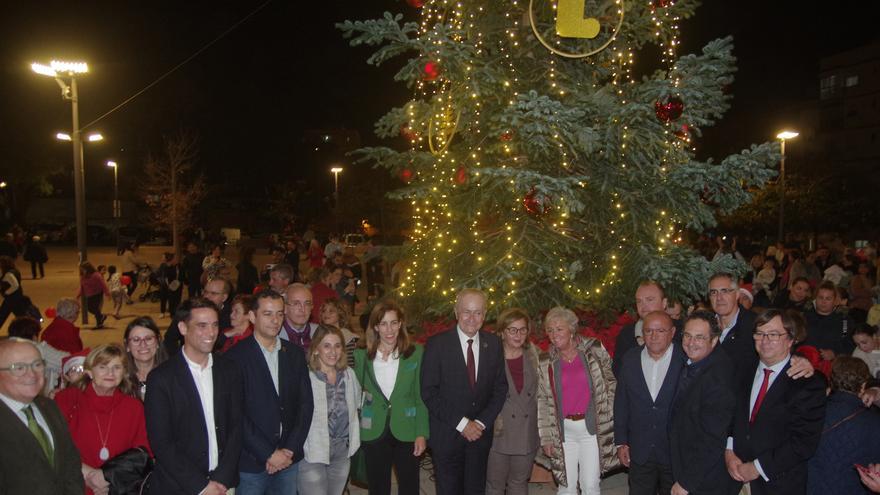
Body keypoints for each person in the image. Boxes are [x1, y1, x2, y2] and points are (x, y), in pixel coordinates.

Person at [144, 298, 243, 495]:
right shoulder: (161, 378)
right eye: (202, 326)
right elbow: (162, 442)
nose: (211, 333)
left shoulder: (229, 369)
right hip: (181, 486)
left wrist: (221, 479)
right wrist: (202, 486)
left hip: (223, 485)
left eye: (215, 325)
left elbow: (236, 427)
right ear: (182, 328)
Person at [725, 309, 827, 495]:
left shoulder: (807, 383)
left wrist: (757, 467)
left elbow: (804, 442)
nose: (765, 340)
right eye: (760, 334)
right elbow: (732, 417)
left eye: (773, 334)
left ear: (790, 340)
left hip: (778, 484)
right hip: (734, 478)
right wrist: (729, 450)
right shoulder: (743, 371)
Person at [225, 290, 314, 494]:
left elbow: (305, 405)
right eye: (267, 314)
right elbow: (235, 413)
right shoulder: (234, 358)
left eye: (280, 314)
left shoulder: (294, 354)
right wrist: (269, 453)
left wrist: (289, 449)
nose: (275, 320)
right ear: (252, 316)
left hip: (288, 460)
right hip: (251, 462)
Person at [420, 289, 508, 495]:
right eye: (466, 311)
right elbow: (429, 392)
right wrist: (463, 424)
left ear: (485, 315)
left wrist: (479, 423)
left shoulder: (493, 344)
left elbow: (500, 388)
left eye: (477, 312)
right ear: (456, 312)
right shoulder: (437, 345)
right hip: (447, 436)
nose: (471, 318)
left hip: (479, 437)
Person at [536, 306, 619, 495]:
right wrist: (546, 436)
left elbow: (611, 383)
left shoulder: (594, 350)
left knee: (590, 485)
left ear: (572, 329)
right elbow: (543, 401)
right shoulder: (545, 360)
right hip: (563, 432)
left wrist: (610, 416)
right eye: (550, 330)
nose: (554, 334)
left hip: (591, 429)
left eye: (559, 329)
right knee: (566, 487)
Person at [353, 299, 428, 495]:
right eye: (384, 323)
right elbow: (357, 392)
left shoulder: (416, 353)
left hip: (407, 427)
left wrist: (421, 433)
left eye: (394, 322)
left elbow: (420, 397)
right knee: (378, 487)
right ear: (376, 326)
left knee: (410, 485)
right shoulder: (362, 354)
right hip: (374, 428)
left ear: (401, 323)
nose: (389, 329)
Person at [54, 344, 151, 495]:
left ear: (124, 373)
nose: (110, 373)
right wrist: (90, 476)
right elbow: (54, 445)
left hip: (116, 488)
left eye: (117, 367)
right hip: (74, 484)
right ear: (90, 372)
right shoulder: (67, 399)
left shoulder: (134, 407)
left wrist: (106, 477)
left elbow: (144, 452)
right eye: (103, 367)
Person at [0, 338, 85, 494]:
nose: (32, 374)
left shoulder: (50, 407)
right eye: (18, 368)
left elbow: (71, 463)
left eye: (37, 365)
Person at [614, 311, 683, 495]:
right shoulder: (630, 359)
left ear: (672, 332)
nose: (653, 336)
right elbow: (621, 402)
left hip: (674, 452)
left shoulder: (685, 359)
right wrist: (621, 441)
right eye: (648, 331)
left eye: (660, 330)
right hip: (640, 451)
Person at [669, 311, 737, 495]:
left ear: (714, 341)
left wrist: (686, 483)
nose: (691, 342)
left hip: (703, 480)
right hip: (684, 463)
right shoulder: (691, 362)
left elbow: (713, 439)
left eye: (700, 337)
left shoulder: (717, 378)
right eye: (688, 336)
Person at [300, 325, 362, 495]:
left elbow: (357, 405)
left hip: (342, 452)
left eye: (337, 345)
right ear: (316, 349)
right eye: (326, 345)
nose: (333, 351)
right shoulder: (306, 377)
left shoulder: (349, 375)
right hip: (313, 452)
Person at [485, 308, 540, 495]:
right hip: (499, 432)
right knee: (494, 486)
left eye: (523, 330)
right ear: (501, 332)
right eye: (512, 330)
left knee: (519, 483)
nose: (518, 335)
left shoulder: (535, 356)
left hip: (527, 432)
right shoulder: (490, 359)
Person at [807, 356, 880, 494]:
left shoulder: (813, 411)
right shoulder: (874, 422)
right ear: (864, 385)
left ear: (831, 380)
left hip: (812, 488)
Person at [613, 281, 679, 377]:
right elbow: (619, 370)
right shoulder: (626, 334)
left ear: (664, 303)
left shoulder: (681, 330)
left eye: (650, 299)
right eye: (639, 301)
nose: (643, 306)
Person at [163, 278, 233, 355]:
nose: (207, 296)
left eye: (213, 293)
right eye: (205, 292)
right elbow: (170, 339)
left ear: (224, 297)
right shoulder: (189, 309)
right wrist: (180, 358)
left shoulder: (232, 316)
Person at [9, 316, 68, 395]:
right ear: (34, 336)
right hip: (36, 395)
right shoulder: (39, 349)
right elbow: (66, 360)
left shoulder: (6, 348)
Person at [803, 281, 855, 362]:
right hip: (803, 360)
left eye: (828, 298)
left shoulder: (845, 320)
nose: (823, 302)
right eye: (820, 297)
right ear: (815, 299)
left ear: (835, 301)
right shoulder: (804, 317)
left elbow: (850, 344)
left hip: (831, 364)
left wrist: (834, 353)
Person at [123, 317, 167, 400]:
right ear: (127, 346)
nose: (143, 344)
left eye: (148, 339)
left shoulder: (172, 376)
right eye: (136, 340)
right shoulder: (119, 379)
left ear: (158, 342)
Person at [320, 298, 359, 368]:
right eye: (324, 311)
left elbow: (350, 363)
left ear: (340, 314)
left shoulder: (347, 336)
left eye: (331, 311)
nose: (326, 314)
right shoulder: (320, 334)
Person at [282, 283, 320, 352]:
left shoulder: (320, 333)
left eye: (307, 303)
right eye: (296, 303)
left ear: (312, 308)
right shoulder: (275, 337)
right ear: (285, 308)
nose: (303, 309)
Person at [0, 255, 33, 327]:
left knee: (2, 315)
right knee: (21, 315)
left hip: (11, 299)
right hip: (17, 297)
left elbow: (15, 285)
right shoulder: (15, 271)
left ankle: (30, 328)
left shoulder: (9, 274)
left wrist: (6, 292)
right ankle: (31, 328)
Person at [78, 262, 110, 329]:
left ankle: (99, 323)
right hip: (89, 294)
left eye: (83, 269)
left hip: (97, 293)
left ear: (88, 269)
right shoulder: (83, 277)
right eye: (81, 270)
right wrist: (79, 294)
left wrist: (107, 293)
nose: (82, 271)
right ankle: (101, 317)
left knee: (95, 308)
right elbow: (82, 286)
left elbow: (103, 284)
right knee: (90, 308)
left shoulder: (96, 275)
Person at [157, 252, 183, 319]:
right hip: (165, 285)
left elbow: (180, 276)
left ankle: (173, 312)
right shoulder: (164, 266)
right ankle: (164, 312)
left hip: (176, 286)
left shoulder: (178, 266)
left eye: (163, 257)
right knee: (164, 298)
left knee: (175, 300)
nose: (162, 258)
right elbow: (161, 275)